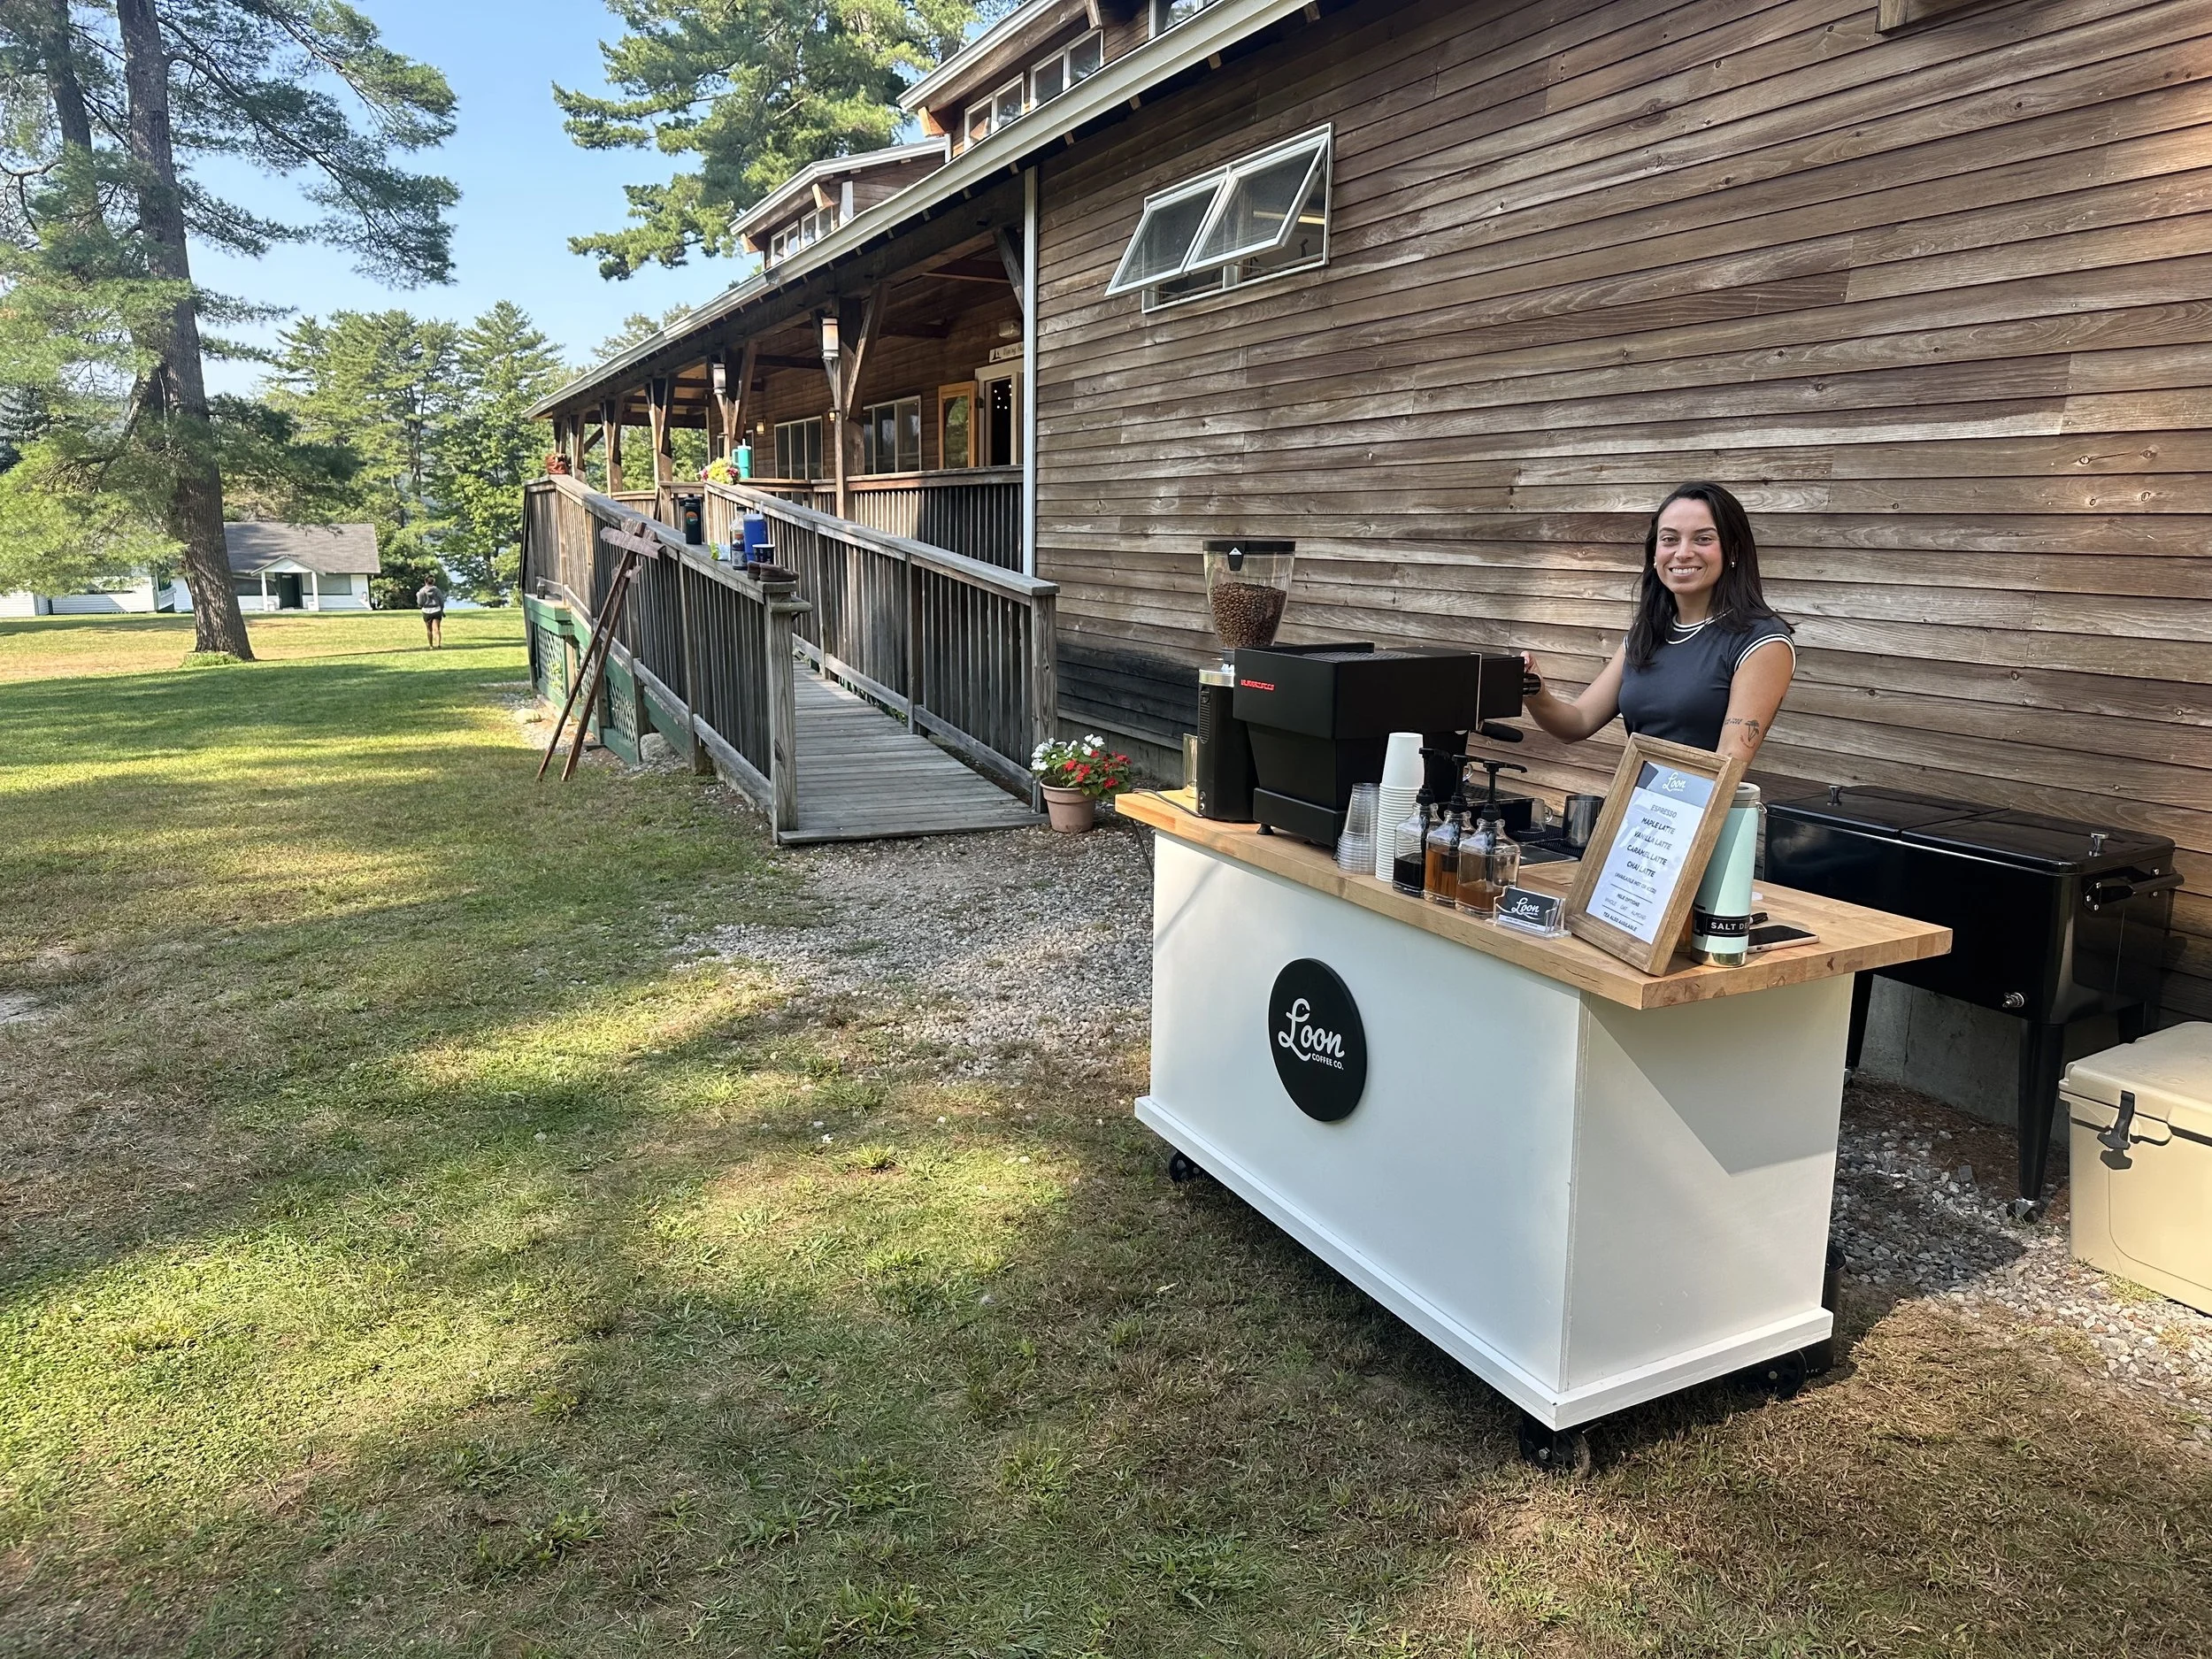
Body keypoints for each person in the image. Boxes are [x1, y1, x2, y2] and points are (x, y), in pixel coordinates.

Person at [1521, 481, 1793, 764]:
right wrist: (1534, 690)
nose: (1683, 552)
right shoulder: (1647, 634)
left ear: (1733, 551)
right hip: (1637, 804)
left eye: (1703, 539)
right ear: (1655, 553)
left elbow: (1728, 764)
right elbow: (1576, 723)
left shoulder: (1761, 641)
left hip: (1701, 806)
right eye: (1670, 539)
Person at [416, 576, 445, 648]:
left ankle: (431, 645)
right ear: (433, 582)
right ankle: (438, 644)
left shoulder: (422, 591)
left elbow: (420, 602)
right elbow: (441, 600)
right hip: (436, 609)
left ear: (425, 582)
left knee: (429, 629)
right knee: (437, 628)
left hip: (426, 610)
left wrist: (421, 605)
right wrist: (442, 609)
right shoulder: (437, 590)